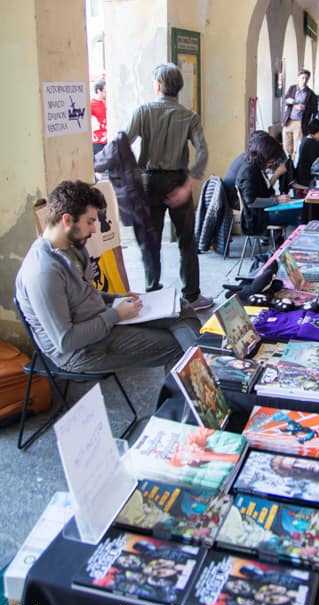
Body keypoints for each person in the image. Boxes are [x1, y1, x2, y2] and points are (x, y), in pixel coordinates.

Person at [15, 180, 200, 373]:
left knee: (182, 308)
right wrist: (116, 314)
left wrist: (117, 298)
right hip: (81, 351)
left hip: (99, 320)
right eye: (89, 222)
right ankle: (204, 379)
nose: (94, 229)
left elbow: (84, 294)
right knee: (176, 346)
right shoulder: (43, 272)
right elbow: (66, 341)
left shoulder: (71, 247)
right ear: (67, 220)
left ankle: (207, 372)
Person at [125, 63, 212, 310]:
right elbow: (202, 153)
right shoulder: (190, 117)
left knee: (151, 241)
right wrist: (187, 187)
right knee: (187, 240)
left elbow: (122, 144)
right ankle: (192, 296)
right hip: (178, 181)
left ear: (158, 86)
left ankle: (152, 293)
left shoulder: (143, 111)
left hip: (148, 182)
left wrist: (132, 176)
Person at [93, 131, 160, 292]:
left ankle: (152, 282)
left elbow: (96, 164)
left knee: (147, 243)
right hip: (136, 199)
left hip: (132, 200)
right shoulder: (120, 144)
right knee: (148, 243)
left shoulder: (116, 144)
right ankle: (152, 283)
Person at [236, 133, 299, 235]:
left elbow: (265, 192)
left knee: (299, 210)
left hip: (263, 211)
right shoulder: (249, 171)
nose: (274, 161)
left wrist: (278, 198)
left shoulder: (257, 167)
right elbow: (251, 202)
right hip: (257, 217)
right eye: (273, 158)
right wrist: (277, 200)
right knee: (299, 214)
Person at [281, 69, 318, 158]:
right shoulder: (292, 88)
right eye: (302, 78)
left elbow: (315, 109)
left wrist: (305, 108)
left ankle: (295, 163)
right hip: (289, 120)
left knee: (297, 147)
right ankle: (288, 162)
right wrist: (289, 101)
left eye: (306, 79)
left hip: (300, 122)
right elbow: (285, 99)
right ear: (298, 78)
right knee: (286, 146)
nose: (304, 80)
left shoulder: (311, 94)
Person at [295, 118, 319, 187]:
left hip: (302, 175)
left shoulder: (306, 139)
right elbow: (318, 163)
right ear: (317, 131)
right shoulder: (312, 143)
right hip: (308, 178)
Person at [90, 79, 107, 155]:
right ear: (99, 91)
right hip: (98, 140)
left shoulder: (107, 102)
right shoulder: (92, 104)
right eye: (105, 91)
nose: (106, 93)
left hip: (108, 138)